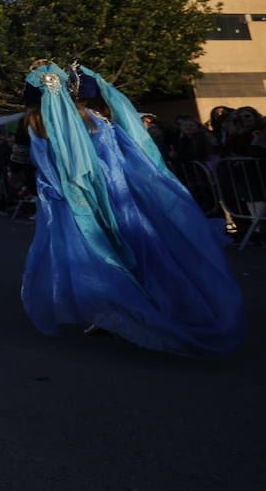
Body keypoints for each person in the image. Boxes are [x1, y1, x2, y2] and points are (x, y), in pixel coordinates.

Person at [17, 62, 245, 354]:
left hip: (79, 202)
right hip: (126, 200)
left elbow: (28, 165)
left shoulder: (40, 126)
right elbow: (141, 159)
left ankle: (123, 311)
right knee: (138, 250)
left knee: (100, 255)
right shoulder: (103, 121)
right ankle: (144, 307)